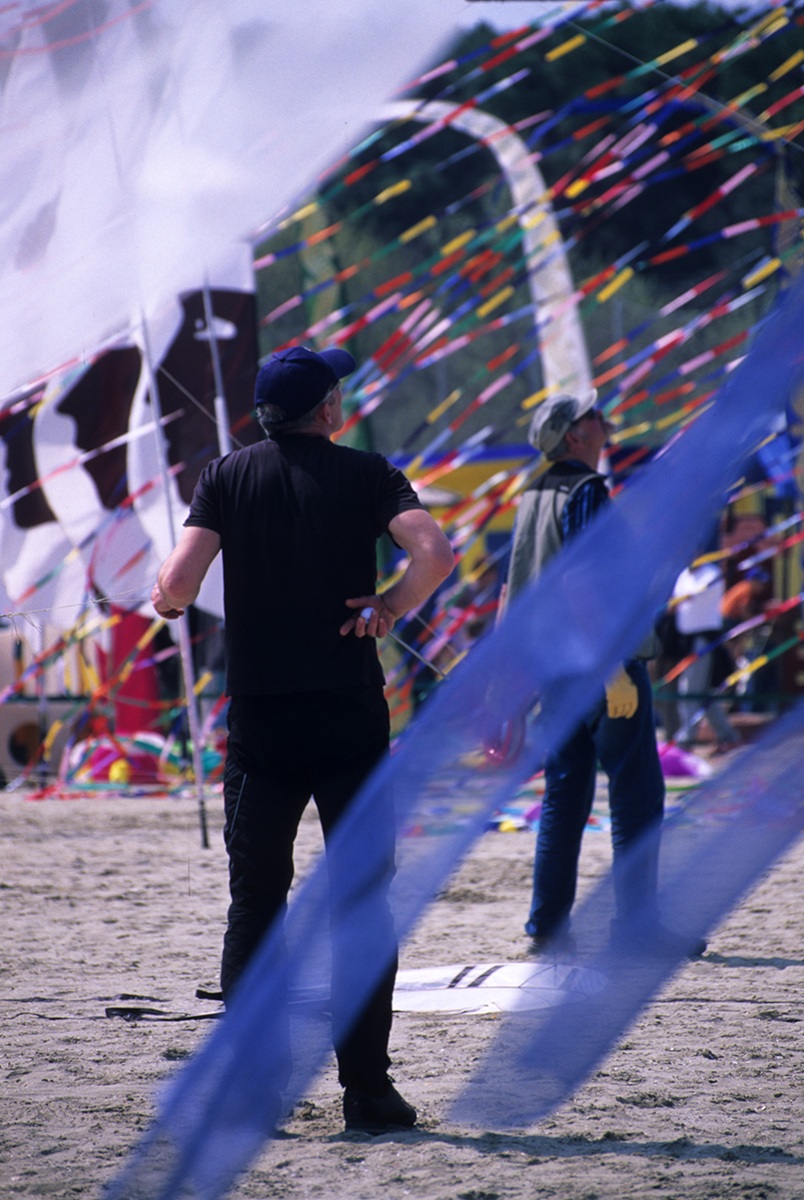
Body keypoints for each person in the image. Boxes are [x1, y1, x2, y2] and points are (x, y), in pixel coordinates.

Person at [151, 345, 454, 1133]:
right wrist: (388, 605)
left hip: (263, 722)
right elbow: (434, 552)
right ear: (327, 410)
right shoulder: (369, 472)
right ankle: (369, 1092)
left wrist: (165, 599)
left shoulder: (224, 476)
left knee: (257, 901)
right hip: (349, 714)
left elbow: (179, 586)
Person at [503, 389, 705, 959]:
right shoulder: (587, 489)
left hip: (552, 668)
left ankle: (547, 927)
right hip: (598, 664)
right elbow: (581, 581)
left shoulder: (532, 493)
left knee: (564, 795)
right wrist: (612, 663)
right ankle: (638, 929)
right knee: (637, 792)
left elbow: (511, 587)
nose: (603, 420)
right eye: (592, 415)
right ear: (574, 434)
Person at [672, 560, 740, 754]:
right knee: (704, 694)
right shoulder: (683, 575)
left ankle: (685, 741)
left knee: (689, 690)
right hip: (685, 640)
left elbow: (696, 594)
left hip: (703, 640)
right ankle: (728, 736)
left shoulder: (712, 573)